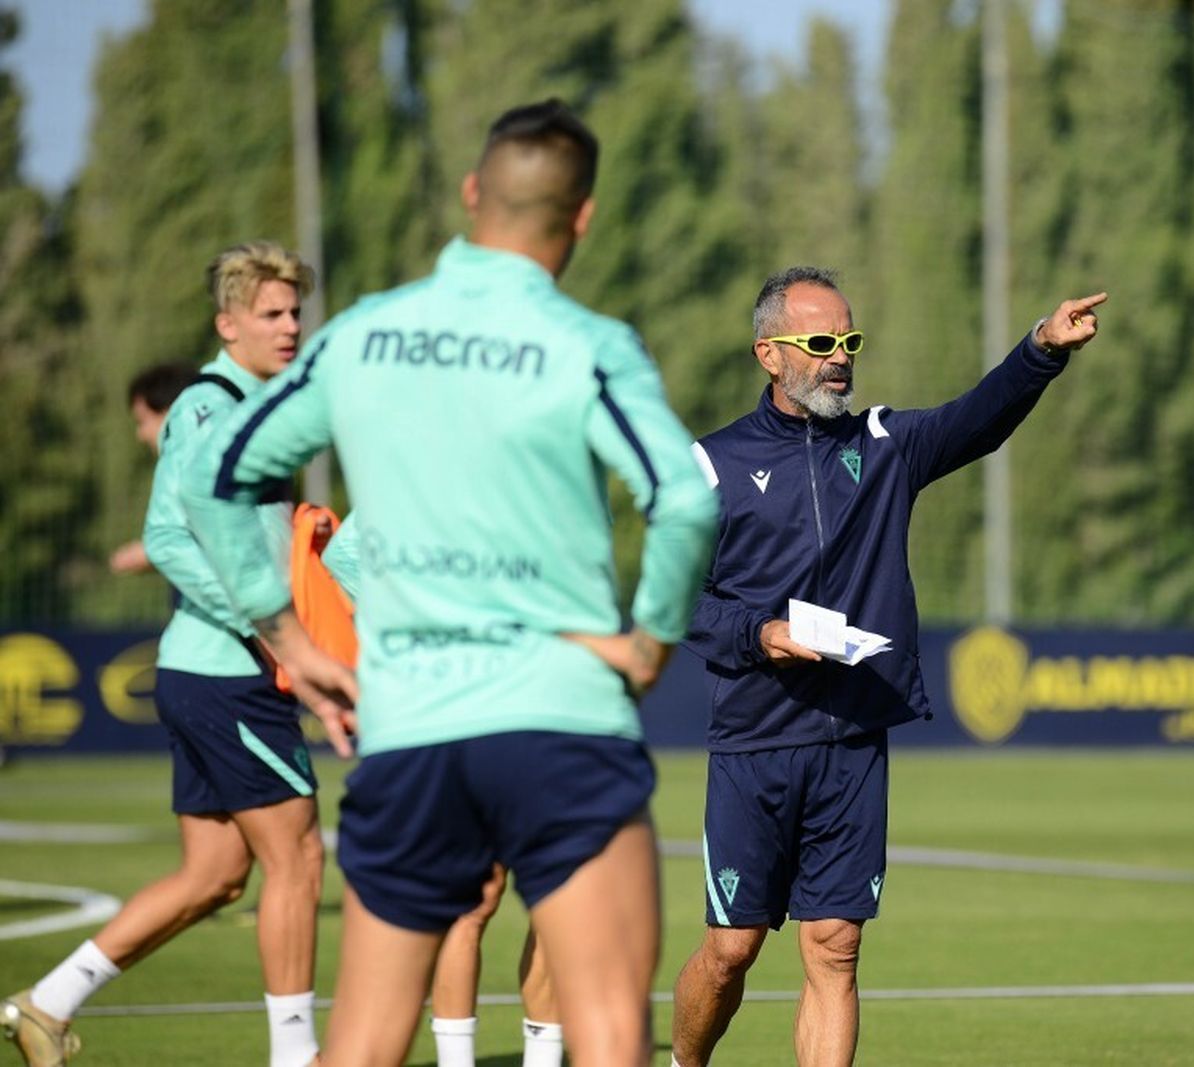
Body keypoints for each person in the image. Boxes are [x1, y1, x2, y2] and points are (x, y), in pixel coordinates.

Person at [179, 100, 719, 1067]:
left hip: (411, 726)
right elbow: (681, 499)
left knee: (366, 1043)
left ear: (474, 193)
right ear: (583, 218)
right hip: (562, 722)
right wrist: (648, 643)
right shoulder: (589, 342)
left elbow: (219, 482)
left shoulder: (364, 335)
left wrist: (290, 645)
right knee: (607, 1035)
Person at [671, 266, 1106, 1067]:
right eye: (821, 342)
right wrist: (761, 631)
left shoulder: (887, 445)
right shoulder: (712, 463)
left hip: (853, 739)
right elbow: (677, 603)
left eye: (849, 340)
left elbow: (979, 420)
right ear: (769, 353)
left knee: (834, 947)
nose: (840, 357)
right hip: (754, 744)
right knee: (731, 950)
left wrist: (1042, 348)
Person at [3, 241, 323, 1067]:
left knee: (215, 874)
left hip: (211, 670)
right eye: (272, 313)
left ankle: (48, 1001)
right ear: (229, 324)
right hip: (227, 671)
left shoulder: (262, 406)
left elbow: (259, 538)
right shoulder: (210, 408)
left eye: (296, 311)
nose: (290, 326)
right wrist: (263, 623)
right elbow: (167, 538)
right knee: (297, 857)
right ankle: (298, 1059)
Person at [320, 514, 566, 1067]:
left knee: (555, 892)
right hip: (458, 707)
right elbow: (344, 555)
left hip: (543, 696)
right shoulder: (423, 462)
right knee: (475, 899)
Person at [111, 362, 202, 575]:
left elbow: (216, 539)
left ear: (170, 412)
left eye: (143, 421)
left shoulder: (197, 470)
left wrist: (151, 553)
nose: (141, 435)